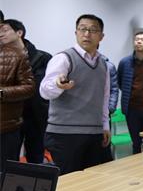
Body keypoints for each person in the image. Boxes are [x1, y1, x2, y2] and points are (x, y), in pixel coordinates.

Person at [40, 14, 111, 174]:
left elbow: (104, 97)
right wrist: (58, 85)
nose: (87, 34)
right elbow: (44, 91)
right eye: (82, 29)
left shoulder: (103, 64)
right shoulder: (64, 58)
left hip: (94, 132)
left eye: (93, 30)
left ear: (101, 36)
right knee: (69, 181)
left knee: (96, 179)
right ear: (76, 33)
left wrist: (105, 125)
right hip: (65, 134)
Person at [0, 19, 51, 164]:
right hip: (11, 115)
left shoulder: (43, 57)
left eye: (5, 30)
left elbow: (42, 87)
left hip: (35, 114)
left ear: (19, 33)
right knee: (11, 160)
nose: (1, 34)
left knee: (35, 156)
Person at [0, 20, 35, 171]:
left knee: (5, 174)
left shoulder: (17, 55)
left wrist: (2, 93)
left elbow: (29, 87)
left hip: (5, 127)